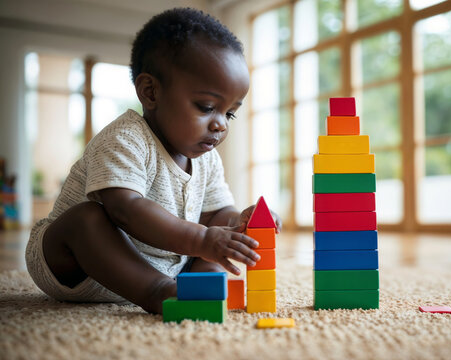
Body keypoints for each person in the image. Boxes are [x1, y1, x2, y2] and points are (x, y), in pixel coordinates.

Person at [25, 8, 281, 314]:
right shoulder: (126, 139)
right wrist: (202, 239)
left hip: (163, 264)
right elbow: (125, 210)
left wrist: (237, 224)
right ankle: (156, 291)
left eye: (229, 113)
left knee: (213, 242)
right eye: (207, 106)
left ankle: (200, 285)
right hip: (78, 267)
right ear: (150, 92)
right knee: (86, 219)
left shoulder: (207, 159)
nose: (221, 124)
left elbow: (215, 215)